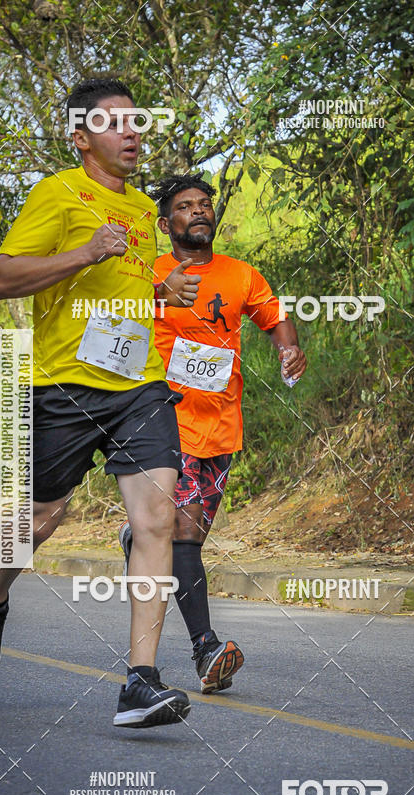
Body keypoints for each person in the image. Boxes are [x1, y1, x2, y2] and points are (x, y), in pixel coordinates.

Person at [0, 77, 201, 729]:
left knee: (157, 517)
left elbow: (120, 292)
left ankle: (141, 682)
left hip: (138, 386)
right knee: (38, 524)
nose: (131, 132)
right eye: (113, 122)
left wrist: (162, 293)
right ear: (80, 137)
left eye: (136, 121)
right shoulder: (57, 193)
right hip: (65, 385)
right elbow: (3, 277)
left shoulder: (147, 216)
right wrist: (85, 250)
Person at [120, 173, 306, 694]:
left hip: (221, 426)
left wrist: (288, 348)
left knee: (189, 543)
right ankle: (205, 646)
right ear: (166, 223)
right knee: (182, 533)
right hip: (161, 421)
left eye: (205, 204)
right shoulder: (148, 274)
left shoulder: (242, 275)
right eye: (186, 206)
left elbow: (276, 320)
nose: (199, 212)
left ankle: (141, 540)